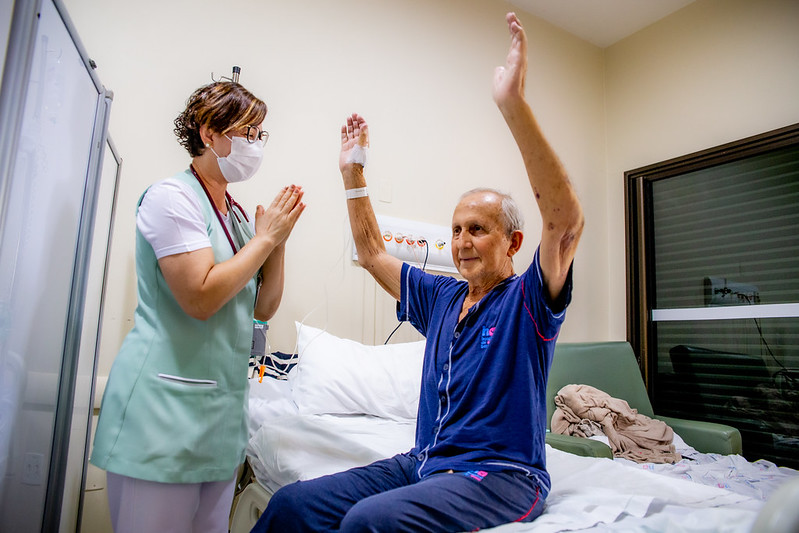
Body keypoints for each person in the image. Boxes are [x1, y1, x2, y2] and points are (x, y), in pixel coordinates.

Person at [252, 11, 583, 533]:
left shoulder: (528, 300)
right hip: (424, 461)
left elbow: (564, 221)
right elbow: (371, 253)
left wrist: (513, 107)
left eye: (477, 229)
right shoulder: (444, 298)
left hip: (499, 474)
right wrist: (353, 171)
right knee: (292, 505)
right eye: (455, 230)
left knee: (369, 522)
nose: (461, 242)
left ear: (513, 242)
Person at [90, 79, 305, 532]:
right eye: (247, 133)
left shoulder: (240, 216)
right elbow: (200, 297)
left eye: (259, 135)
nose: (255, 145)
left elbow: (262, 309)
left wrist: (276, 245)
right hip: (163, 415)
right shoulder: (173, 198)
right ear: (210, 133)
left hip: (218, 421)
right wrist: (265, 240)